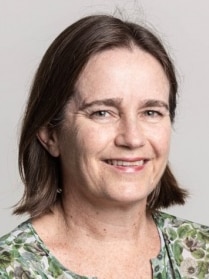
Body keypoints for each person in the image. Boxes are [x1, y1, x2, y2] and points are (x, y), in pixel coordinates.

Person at [0, 14, 208, 279]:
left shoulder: (202, 253)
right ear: (50, 133)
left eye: (151, 112)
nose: (132, 139)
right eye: (102, 112)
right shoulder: (10, 269)